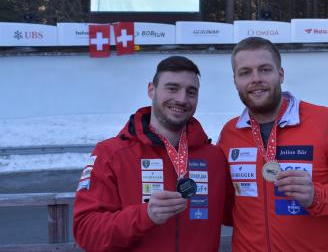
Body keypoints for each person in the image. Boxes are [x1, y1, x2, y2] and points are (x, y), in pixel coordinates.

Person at [217, 37, 328, 252]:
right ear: (236, 80)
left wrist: (318, 196)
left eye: (265, 69)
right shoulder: (230, 133)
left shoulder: (326, 121)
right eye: (245, 72)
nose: (255, 79)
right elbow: (227, 205)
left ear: (281, 74)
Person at [73, 56, 232, 252]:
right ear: (151, 90)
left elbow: (239, 213)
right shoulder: (110, 154)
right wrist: (144, 216)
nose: (182, 99)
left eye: (191, 92)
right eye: (172, 88)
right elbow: (86, 231)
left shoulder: (214, 157)